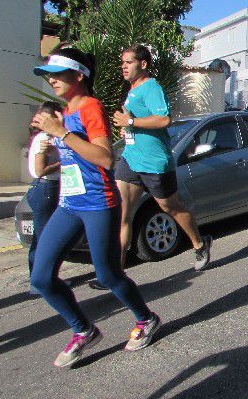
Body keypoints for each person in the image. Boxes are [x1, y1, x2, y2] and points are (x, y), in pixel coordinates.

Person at [30, 47, 160, 368]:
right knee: (41, 277)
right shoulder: (64, 113)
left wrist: (61, 133)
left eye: (58, 73)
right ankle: (83, 330)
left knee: (108, 274)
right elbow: (71, 159)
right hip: (69, 203)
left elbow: (104, 158)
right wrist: (50, 139)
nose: (51, 80)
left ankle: (146, 319)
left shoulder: (91, 108)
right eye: (48, 74)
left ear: (78, 75)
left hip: (98, 203)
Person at [90, 45, 212, 290]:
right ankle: (115, 273)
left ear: (143, 64)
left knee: (170, 207)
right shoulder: (132, 90)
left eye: (128, 62)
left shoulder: (152, 87)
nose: (123, 66)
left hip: (155, 162)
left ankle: (200, 243)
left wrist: (130, 121)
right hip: (131, 159)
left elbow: (164, 119)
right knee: (122, 215)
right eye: (122, 62)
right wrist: (124, 125)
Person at [26, 101, 63, 293]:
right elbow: (40, 170)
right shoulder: (45, 138)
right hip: (46, 188)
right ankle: (38, 282)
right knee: (43, 238)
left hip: (46, 189)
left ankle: (44, 279)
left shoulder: (44, 136)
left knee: (43, 237)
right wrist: (62, 163)